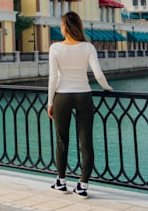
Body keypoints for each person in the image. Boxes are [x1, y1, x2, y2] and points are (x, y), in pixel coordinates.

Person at [47, 11, 113, 197]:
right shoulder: (88, 47)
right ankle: (83, 185)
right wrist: (107, 88)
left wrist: (49, 102)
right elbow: (98, 75)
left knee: (62, 140)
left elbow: (53, 78)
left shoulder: (55, 48)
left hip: (62, 96)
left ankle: (61, 181)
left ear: (64, 27)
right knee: (86, 142)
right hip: (84, 95)